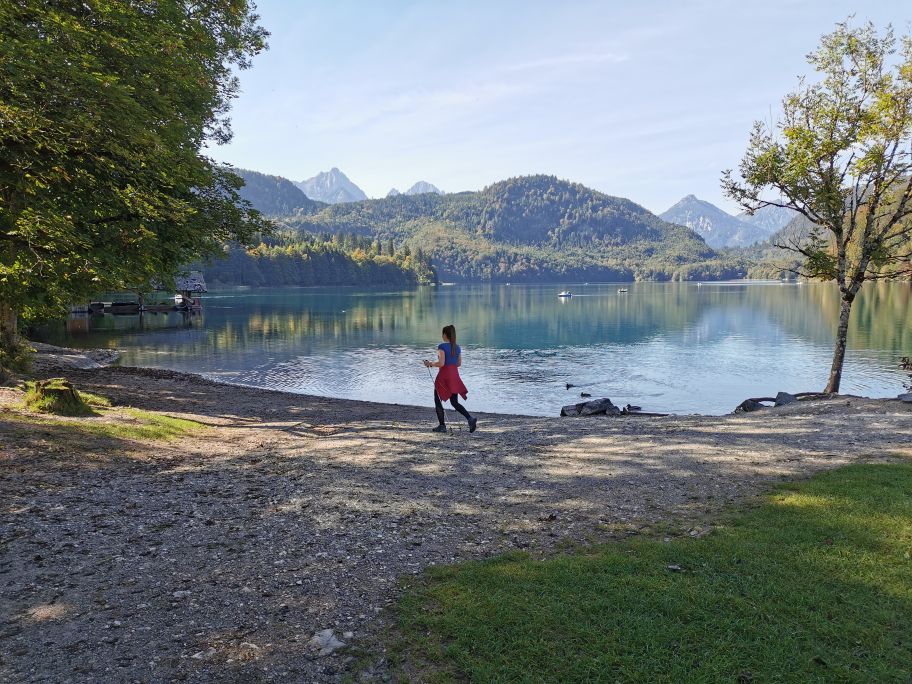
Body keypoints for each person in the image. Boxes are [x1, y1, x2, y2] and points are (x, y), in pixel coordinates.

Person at [423, 324, 477, 433]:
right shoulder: (457, 347)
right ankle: (470, 418)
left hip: (444, 376)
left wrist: (430, 363)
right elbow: (458, 363)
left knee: (437, 401)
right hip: (454, 375)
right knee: (454, 402)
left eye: (442, 333)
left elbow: (441, 363)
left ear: (445, 334)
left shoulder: (442, 346)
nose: (442, 335)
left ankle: (442, 426)